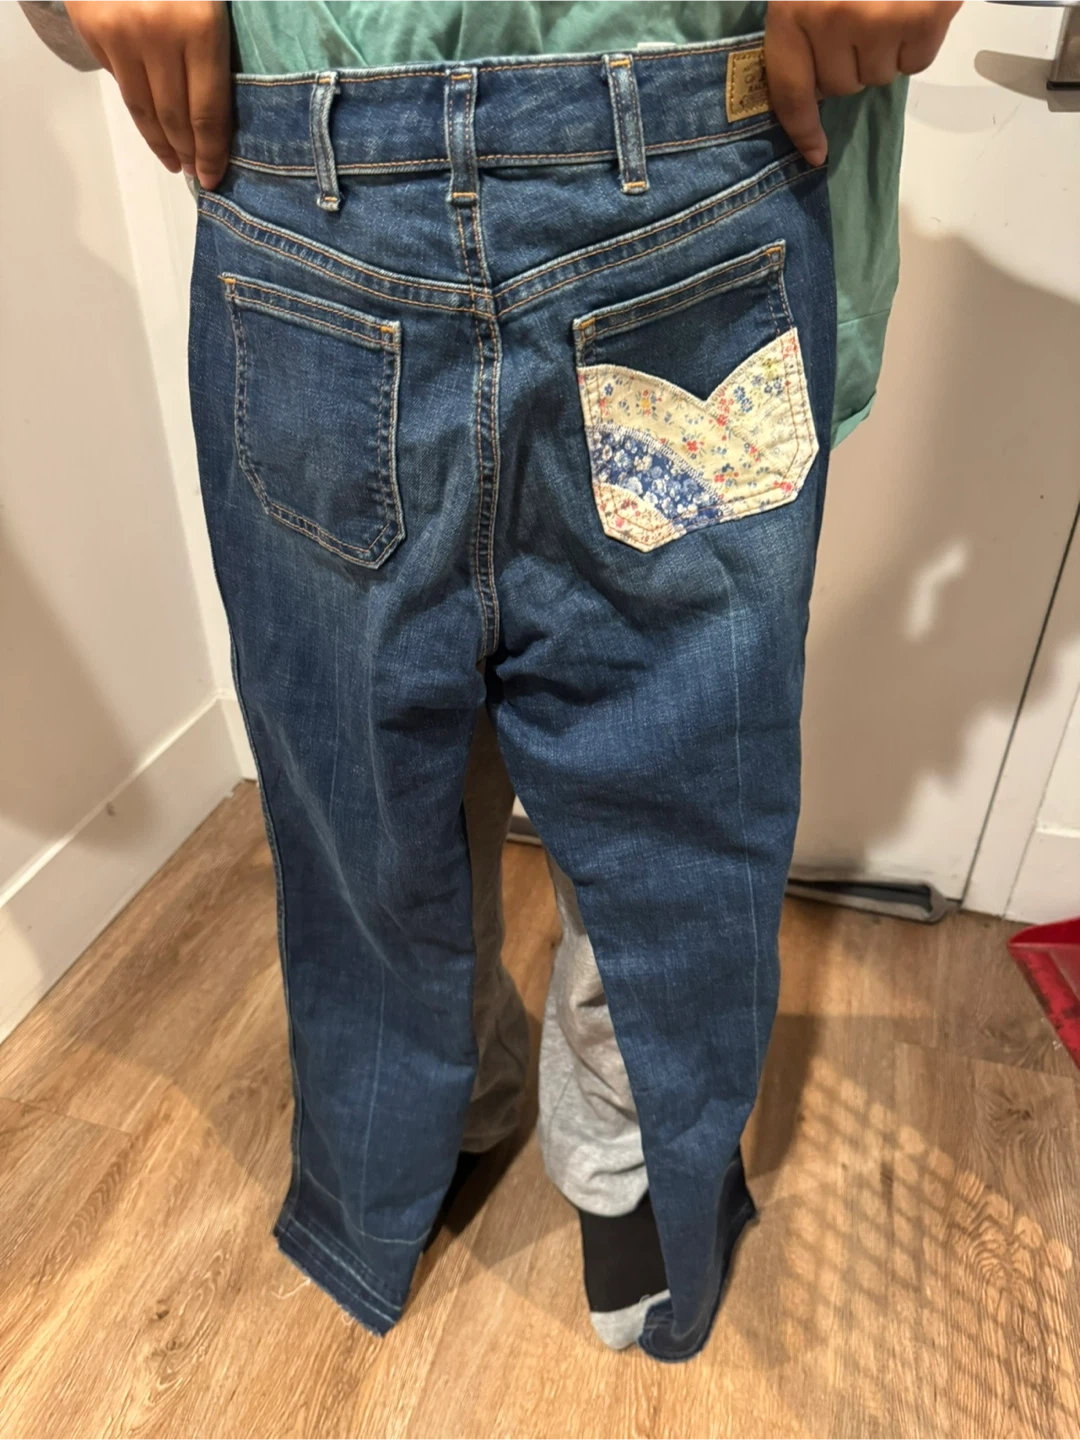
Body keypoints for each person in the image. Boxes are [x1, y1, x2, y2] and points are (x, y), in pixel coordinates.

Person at [19, 0, 962, 1360]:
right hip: (312, 206)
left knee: (682, 785)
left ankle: (629, 1153)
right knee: (361, 787)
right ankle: (436, 1107)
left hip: (691, 180)